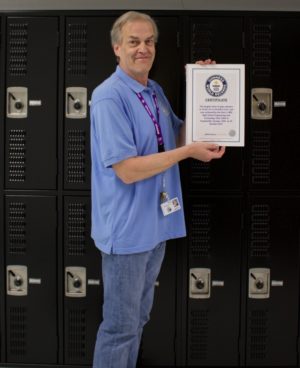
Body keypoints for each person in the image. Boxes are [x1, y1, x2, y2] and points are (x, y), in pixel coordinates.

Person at [90, 11, 225, 368]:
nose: (143, 48)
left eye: (149, 41)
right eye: (134, 41)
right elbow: (128, 171)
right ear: (117, 47)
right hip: (128, 231)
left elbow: (179, 135)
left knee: (137, 322)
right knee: (120, 328)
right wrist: (187, 154)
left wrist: (201, 86)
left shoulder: (154, 91)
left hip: (155, 227)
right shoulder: (109, 97)